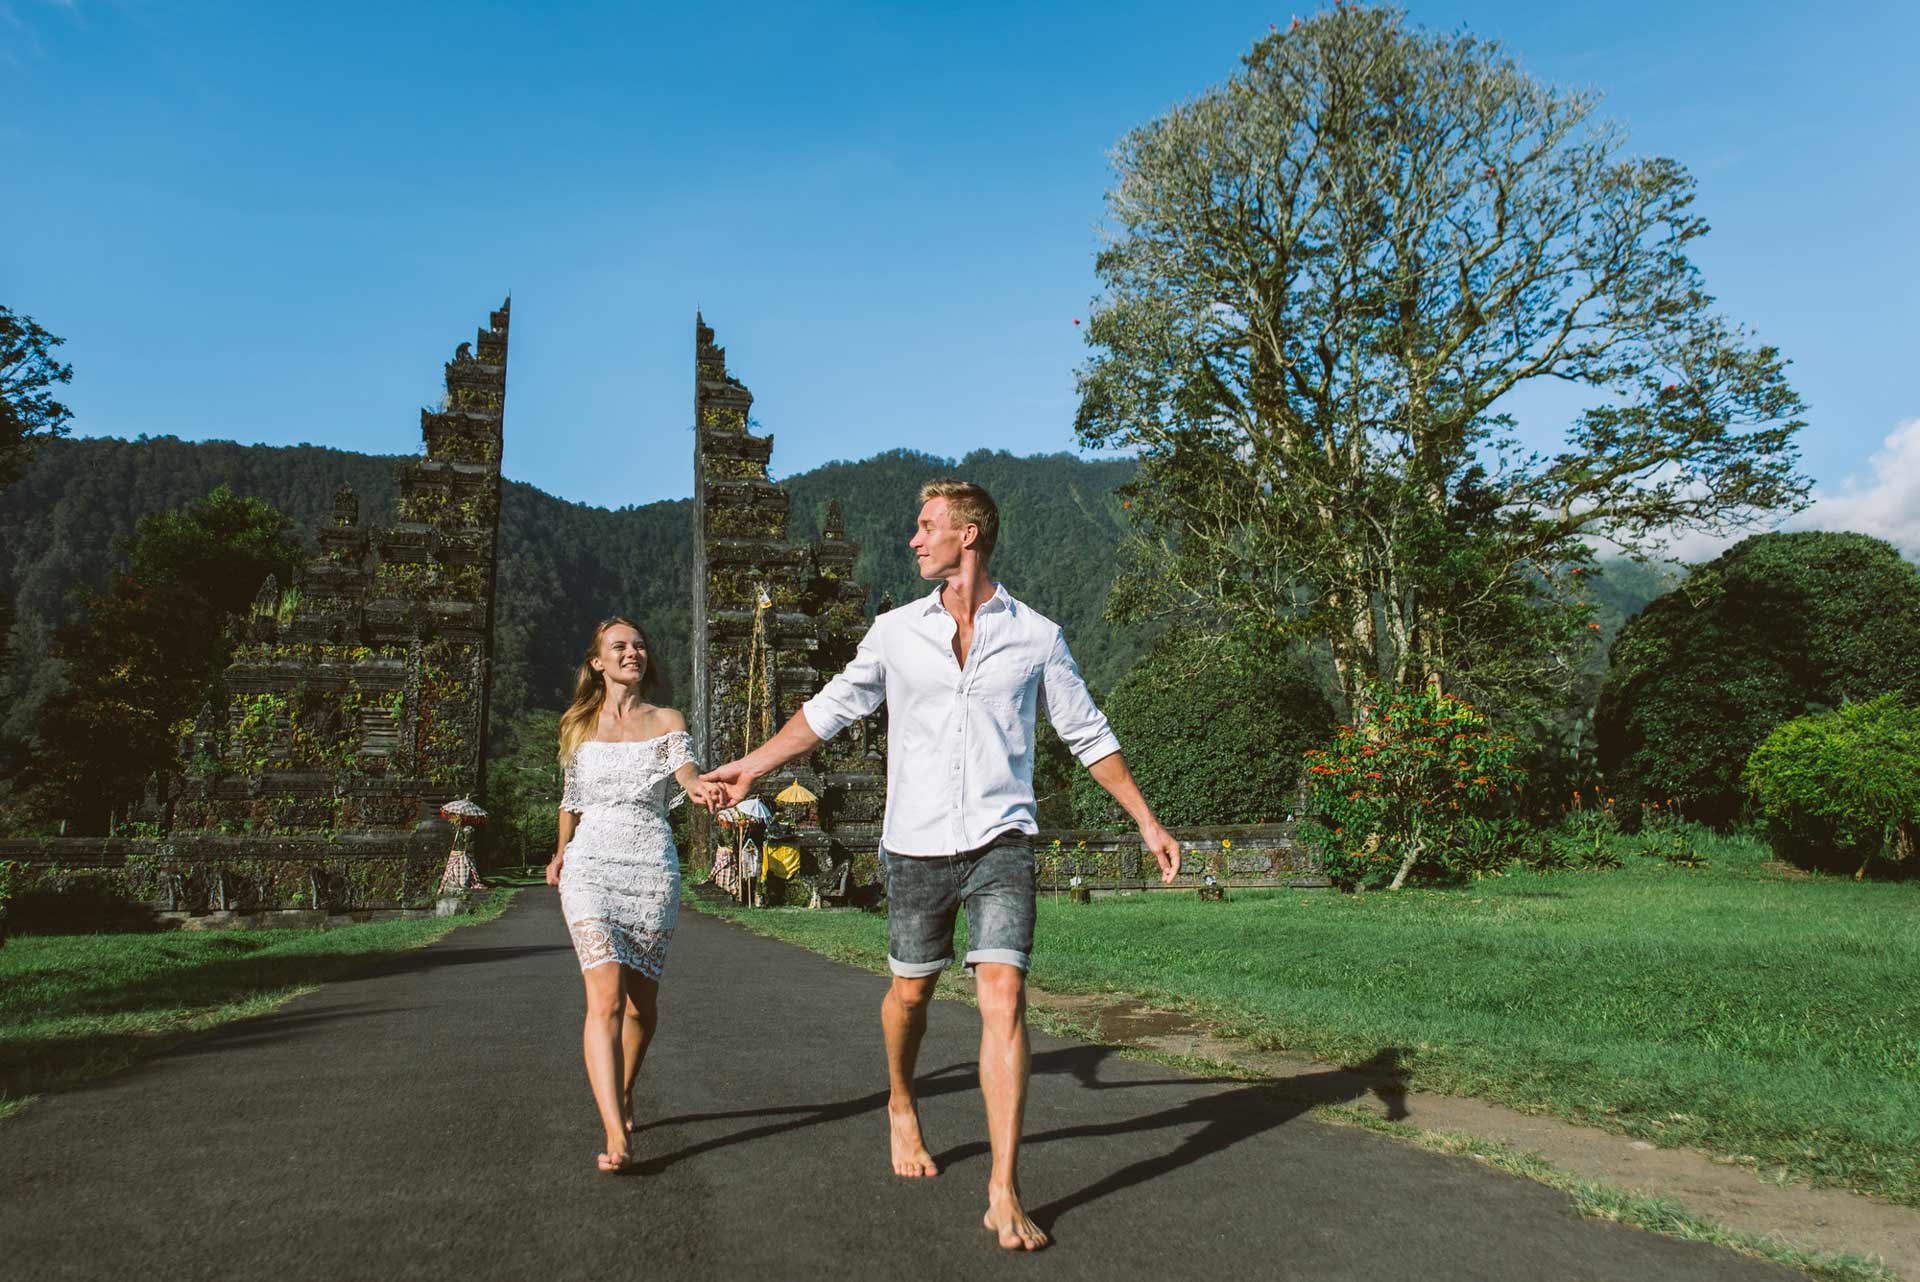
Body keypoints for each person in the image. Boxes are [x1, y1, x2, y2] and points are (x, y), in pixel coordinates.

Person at [700, 480, 1181, 1250]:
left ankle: (1003, 1187)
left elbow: (1087, 734)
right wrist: (753, 767)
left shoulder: (1037, 637)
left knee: (1004, 996)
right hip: (916, 846)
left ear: (972, 534)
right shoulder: (893, 632)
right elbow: (828, 711)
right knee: (912, 995)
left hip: (1002, 841)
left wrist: (1147, 820)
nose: (915, 541)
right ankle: (899, 1099)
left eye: (927, 528)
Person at [546, 616, 715, 1173]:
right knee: (607, 998)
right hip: (590, 863)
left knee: (643, 1006)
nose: (632, 653)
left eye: (640, 645)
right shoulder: (576, 724)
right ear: (597, 661)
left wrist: (700, 787)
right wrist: (560, 852)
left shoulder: (668, 720)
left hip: (650, 865)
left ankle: (624, 1088)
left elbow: (686, 773)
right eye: (619, 647)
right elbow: (570, 798)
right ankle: (615, 1132)